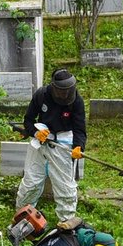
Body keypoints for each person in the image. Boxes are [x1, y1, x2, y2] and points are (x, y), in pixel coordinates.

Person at [16, 69, 86, 222]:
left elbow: (80, 129)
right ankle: (23, 216)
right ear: (54, 88)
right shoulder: (42, 95)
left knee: (65, 187)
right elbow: (28, 120)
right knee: (30, 183)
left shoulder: (76, 101)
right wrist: (35, 132)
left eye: (68, 92)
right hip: (41, 141)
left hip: (64, 143)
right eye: (62, 92)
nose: (65, 95)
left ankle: (67, 223)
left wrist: (78, 146)